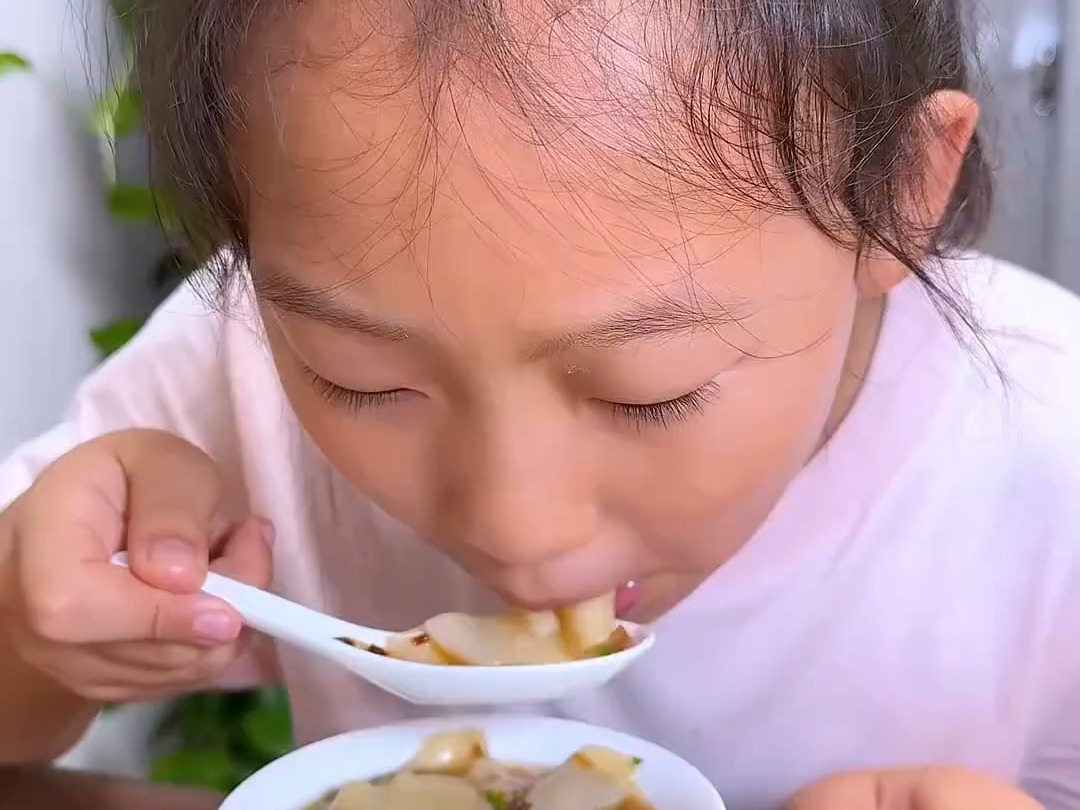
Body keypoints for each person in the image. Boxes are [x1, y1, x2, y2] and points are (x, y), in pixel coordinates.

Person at [0, 0, 1077, 808]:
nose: (516, 535)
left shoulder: (1047, 442)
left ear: (895, 196)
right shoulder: (229, 367)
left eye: (648, 393)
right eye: (359, 381)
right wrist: (31, 626)